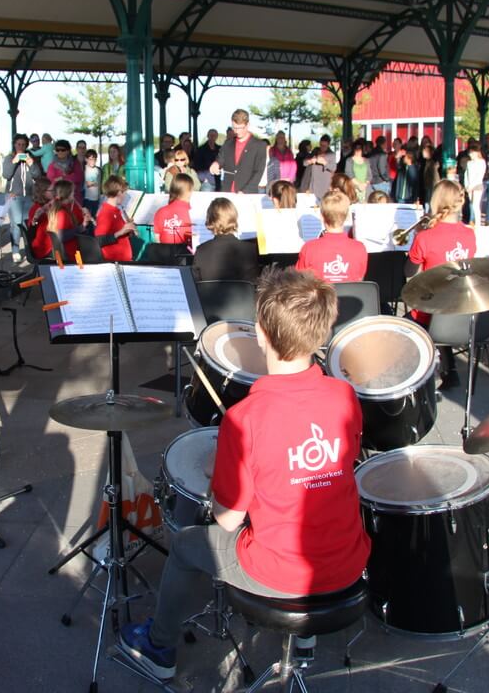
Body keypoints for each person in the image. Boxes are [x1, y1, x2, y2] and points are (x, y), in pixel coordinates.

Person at [118, 268, 368, 680]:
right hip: (347, 562)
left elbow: (228, 518)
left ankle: (158, 647)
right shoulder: (345, 394)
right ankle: (304, 640)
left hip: (282, 571)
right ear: (322, 334)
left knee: (185, 544)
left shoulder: (244, 418)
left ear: (262, 335)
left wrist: (225, 475)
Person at [406, 180, 476, 390]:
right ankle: (450, 369)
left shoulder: (426, 237)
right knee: (443, 304)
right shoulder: (469, 234)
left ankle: (421, 377)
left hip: (432, 311)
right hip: (461, 309)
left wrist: (417, 236)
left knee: (401, 326)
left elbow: (409, 273)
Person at [295, 191, 367, 283]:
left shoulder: (309, 248)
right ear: (348, 217)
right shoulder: (360, 248)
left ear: (321, 217)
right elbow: (359, 279)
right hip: (349, 297)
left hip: (320, 297)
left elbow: (299, 280)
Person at [191, 198, 259, 283]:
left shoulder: (201, 251)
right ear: (234, 218)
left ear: (210, 220)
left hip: (210, 296)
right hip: (241, 296)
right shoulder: (249, 249)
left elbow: (195, 286)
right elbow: (253, 285)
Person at [3, 134, 45, 262]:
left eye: (23, 144)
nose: (20, 147)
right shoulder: (9, 158)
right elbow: (6, 174)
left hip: (29, 196)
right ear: (14, 145)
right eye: (18, 144)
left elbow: (38, 175)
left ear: (27, 146)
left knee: (28, 224)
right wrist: (14, 162)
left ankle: (28, 249)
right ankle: (15, 251)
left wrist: (31, 163)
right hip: (14, 196)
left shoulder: (31, 157)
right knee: (16, 224)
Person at [31, 179, 91, 262]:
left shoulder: (58, 207)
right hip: (67, 253)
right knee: (91, 253)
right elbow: (61, 235)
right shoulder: (61, 213)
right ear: (68, 195)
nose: (74, 195)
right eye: (72, 192)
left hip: (64, 249)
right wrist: (82, 227)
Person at [216, 110, 269, 194]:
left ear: (248, 125)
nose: (237, 131)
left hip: (247, 194)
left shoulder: (260, 145)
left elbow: (258, 172)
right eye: (234, 128)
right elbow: (220, 159)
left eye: (240, 128)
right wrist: (216, 164)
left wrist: (246, 191)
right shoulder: (228, 143)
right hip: (227, 193)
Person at [94, 175, 137, 262]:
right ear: (119, 193)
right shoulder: (106, 213)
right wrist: (120, 232)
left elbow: (117, 232)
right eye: (124, 193)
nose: (125, 196)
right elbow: (99, 240)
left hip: (122, 260)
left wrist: (128, 230)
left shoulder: (116, 210)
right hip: (114, 262)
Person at [154, 173, 194, 248]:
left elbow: (157, 239)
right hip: (183, 256)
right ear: (188, 192)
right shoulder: (191, 212)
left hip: (164, 255)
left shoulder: (160, 211)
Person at [300, 135, 336, 200]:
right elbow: (304, 163)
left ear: (328, 145)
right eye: (321, 145)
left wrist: (324, 163)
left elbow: (333, 168)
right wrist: (310, 161)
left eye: (324, 146)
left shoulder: (332, 154)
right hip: (312, 184)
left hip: (324, 184)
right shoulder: (315, 151)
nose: (322, 147)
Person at [463, 143, 486, 227]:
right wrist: (466, 185)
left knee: (476, 204)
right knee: (472, 204)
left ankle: (478, 223)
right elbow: (466, 174)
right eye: (470, 153)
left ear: (477, 153)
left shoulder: (482, 162)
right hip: (469, 186)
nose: (471, 154)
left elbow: (479, 175)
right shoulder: (469, 163)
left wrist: (471, 185)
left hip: (477, 185)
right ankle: (472, 221)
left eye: (472, 153)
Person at [82, 149, 102, 219]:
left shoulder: (98, 170)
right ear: (86, 159)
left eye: (94, 159)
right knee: (88, 217)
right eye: (90, 159)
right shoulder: (84, 169)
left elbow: (99, 184)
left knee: (95, 217)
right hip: (87, 198)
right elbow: (87, 184)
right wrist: (93, 183)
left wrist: (99, 197)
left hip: (96, 199)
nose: (92, 161)